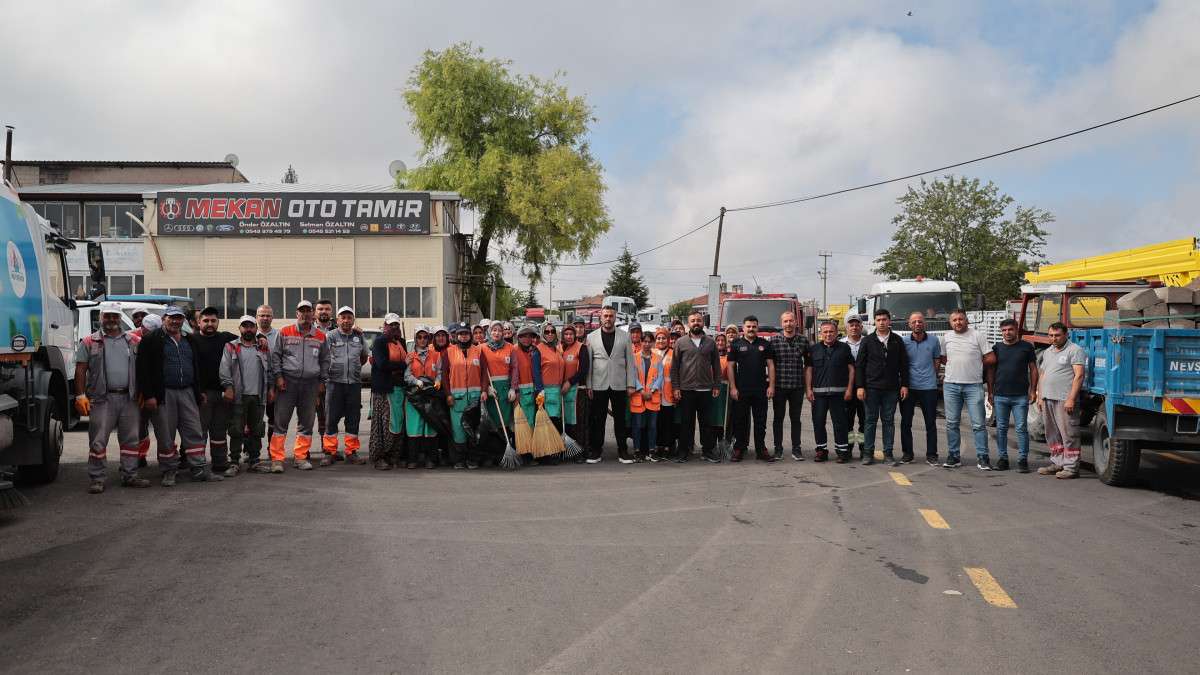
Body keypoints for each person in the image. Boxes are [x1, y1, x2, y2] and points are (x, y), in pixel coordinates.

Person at [137, 305, 221, 485]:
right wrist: (149, 395)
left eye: (179, 318)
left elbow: (196, 367)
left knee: (194, 431)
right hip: (164, 393)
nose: (175, 321)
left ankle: (198, 468)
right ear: (163, 319)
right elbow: (143, 370)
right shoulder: (151, 339)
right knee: (165, 434)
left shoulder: (189, 339)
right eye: (171, 317)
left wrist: (198, 391)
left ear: (183, 320)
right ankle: (169, 470)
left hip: (188, 392)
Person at [76, 303, 148, 493]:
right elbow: (80, 369)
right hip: (102, 399)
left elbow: (144, 368)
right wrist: (80, 395)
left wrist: (144, 391)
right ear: (101, 317)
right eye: (107, 316)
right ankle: (97, 479)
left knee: (131, 440)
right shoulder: (89, 342)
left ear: (120, 318)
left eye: (115, 316)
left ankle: (130, 475)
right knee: (98, 440)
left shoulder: (134, 341)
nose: (111, 320)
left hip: (129, 398)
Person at [268, 300, 330, 472]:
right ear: (297, 313)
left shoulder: (320, 336)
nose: (305, 314)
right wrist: (279, 377)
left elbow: (325, 360)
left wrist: (322, 381)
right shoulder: (285, 332)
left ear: (313, 314)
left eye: (308, 310)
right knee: (281, 422)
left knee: (306, 422)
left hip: (311, 384)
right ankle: (277, 460)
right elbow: (276, 356)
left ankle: (300, 457)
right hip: (287, 383)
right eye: (302, 311)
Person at [941, 309, 996, 470]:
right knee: (952, 423)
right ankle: (953, 456)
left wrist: (975, 362)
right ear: (950, 323)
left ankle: (983, 457)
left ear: (967, 321)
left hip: (973, 386)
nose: (958, 322)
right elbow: (943, 358)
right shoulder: (946, 337)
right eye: (954, 320)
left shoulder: (977, 335)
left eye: (961, 319)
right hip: (951, 385)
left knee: (978, 424)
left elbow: (991, 358)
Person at [219, 316, 274, 476]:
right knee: (236, 430)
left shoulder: (263, 347)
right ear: (239, 329)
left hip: (258, 396)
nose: (248, 329)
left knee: (257, 430)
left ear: (256, 329)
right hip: (238, 396)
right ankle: (234, 462)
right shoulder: (231, 346)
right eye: (245, 326)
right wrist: (228, 387)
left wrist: (271, 389)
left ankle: (254, 461)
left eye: (251, 326)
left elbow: (270, 369)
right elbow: (224, 369)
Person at [584, 306, 638, 464]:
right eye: (605, 316)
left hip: (619, 384)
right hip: (598, 384)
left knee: (620, 420)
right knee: (598, 420)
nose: (608, 318)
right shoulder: (591, 337)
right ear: (601, 318)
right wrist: (589, 385)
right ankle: (596, 451)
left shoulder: (625, 336)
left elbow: (630, 362)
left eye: (611, 316)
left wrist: (630, 384)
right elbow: (589, 364)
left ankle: (623, 451)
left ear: (615, 318)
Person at [854, 309, 908, 466]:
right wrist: (860, 386)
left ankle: (888, 453)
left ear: (889, 321)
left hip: (891, 388)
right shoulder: (867, 341)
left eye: (884, 319)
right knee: (870, 421)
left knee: (888, 421)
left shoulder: (897, 340)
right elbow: (859, 366)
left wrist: (905, 385)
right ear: (874, 322)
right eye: (878, 320)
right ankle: (868, 453)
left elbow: (904, 365)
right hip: (871, 388)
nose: (882, 322)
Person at [1036, 322, 1086, 479]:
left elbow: (1079, 375)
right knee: (1052, 433)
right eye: (1051, 335)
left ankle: (1071, 467)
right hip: (1048, 398)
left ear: (1066, 335)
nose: (1053, 338)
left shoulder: (1075, 350)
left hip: (1064, 399)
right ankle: (1057, 462)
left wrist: (1071, 399)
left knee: (1069, 434)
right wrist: (1040, 396)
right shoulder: (1048, 352)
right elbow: (1042, 375)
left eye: (1057, 335)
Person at [988, 318, 1038, 473]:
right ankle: (1003, 459)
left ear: (1016, 330)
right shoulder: (996, 348)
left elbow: (1033, 369)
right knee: (1001, 428)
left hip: (1020, 396)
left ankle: (1022, 460)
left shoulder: (1027, 347)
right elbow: (991, 371)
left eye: (1010, 329)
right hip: (1000, 395)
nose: (1007, 333)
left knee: (1021, 428)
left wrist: (1033, 390)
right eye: (1004, 330)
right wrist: (990, 391)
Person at [193, 306, 238, 477]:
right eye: (206, 321)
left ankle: (219, 462)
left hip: (223, 394)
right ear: (198, 322)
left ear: (218, 322)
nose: (210, 324)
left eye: (213, 321)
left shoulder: (225, 338)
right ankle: (197, 463)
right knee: (199, 431)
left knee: (219, 431)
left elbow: (247, 338)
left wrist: (261, 338)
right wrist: (198, 391)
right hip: (202, 395)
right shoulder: (191, 340)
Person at [671, 313, 721, 464]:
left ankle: (707, 451)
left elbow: (716, 366)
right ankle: (684, 451)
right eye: (693, 321)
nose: (696, 323)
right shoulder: (680, 342)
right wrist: (676, 387)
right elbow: (674, 367)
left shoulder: (710, 343)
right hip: (686, 390)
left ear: (703, 323)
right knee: (686, 423)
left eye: (698, 320)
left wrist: (716, 385)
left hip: (706, 389)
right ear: (688, 324)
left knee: (706, 423)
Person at [322, 306, 368, 466]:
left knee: (353, 418)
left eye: (349, 317)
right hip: (334, 383)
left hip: (354, 384)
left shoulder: (359, 336)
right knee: (331, 418)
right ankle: (330, 452)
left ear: (353, 320)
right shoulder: (330, 336)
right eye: (343, 317)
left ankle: (351, 452)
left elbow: (364, 357)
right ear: (337, 320)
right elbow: (324, 358)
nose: (346, 320)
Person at [727, 315, 777, 462]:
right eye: (748, 326)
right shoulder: (736, 344)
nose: (751, 329)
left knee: (760, 422)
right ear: (743, 328)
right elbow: (730, 367)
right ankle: (739, 448)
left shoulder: (765, 344)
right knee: (740, 421)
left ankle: (761, 450)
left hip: (760, 389)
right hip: (741, 390)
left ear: (757, 328)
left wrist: (771, 386)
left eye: (754, 326)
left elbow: (771, 366)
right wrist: (733, 387)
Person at [806, 320, 855, 463]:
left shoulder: (844, 348)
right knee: (818, 422)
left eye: (831, 331)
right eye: (825, 332)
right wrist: (808, 389)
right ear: (821, 333)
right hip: (818, 395)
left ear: (836, 333)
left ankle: (842, 452)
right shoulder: (814, 349)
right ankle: (821, 451)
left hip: (839, 395)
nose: (828, 334)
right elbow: (808, 370)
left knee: (840, 423)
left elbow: (851, 369)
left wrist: (849, 389)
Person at [900, 311, 941, 467]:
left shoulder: (934, 340)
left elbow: (936, 361)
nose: (917, 324)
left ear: (925, 323)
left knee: (930, 423)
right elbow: (901, 364)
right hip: (908, 388)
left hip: (929, 387)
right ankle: (907, 454)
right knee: (906, 422)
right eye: (914, 322)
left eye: (920, 321)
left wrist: (932, 377)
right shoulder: (904, 341)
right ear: (909, 324)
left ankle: (932, 455)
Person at [443, 323, 486, 469]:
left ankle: (473, 459)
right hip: (457, 399)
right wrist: (448, 394)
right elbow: (444, 375)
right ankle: (459, 459)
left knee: (473, 429)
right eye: (461, 334)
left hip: (475, 398)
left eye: (466, 333)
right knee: (458, 429)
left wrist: (484, 390)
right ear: (456, 336)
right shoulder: (449, 352)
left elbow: (484, 374)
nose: (463, 336)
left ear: (470, 335)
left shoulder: (478, 351)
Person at [770, 311, 811, 460]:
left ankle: (796, 449)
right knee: (778, 419)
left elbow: (808, 366)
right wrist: (770, 386)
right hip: (779, 387)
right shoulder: (773, 341)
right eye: (785, 321)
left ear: (796, 322)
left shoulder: (803, 341)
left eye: (791, 321)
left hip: (797, 387)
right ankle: (778, 449)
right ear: (781, 323)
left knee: (796, 419)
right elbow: (770, 365)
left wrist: (808, 388)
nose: (788, 324)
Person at [369, 314, 407, 470]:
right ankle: (379, 457)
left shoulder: (401, 342)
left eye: (396, 325)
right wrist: (403, 365)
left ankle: (394, 456)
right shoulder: (380, 342)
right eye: (391, 325)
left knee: (398, 424)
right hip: (384, 390)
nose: (394, 327)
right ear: (385, 325)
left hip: (399, 389)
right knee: (384, 425)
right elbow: (382, 364)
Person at [404, 326, 442, 469]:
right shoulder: (410, 356)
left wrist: (438, 381)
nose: (422, 340)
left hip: (430, 396)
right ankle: (413, 459)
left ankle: (431, 459)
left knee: (430, 427)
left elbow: (440, 372)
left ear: (429, 339)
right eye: (419, 337)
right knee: (414, 427)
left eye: (425, 337)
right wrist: (416, 381)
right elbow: (406, 375)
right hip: (414, 397)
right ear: (415, 339)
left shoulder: (436, 355)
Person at [130, 312, 162, 468]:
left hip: (158, 390)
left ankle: (166, 458)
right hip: (138, 390)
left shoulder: (163, 339)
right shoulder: (130, 338)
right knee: (139, 425)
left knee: (163, 427)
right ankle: (139, 456)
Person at [481, 322, 519, 450]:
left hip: (505, 390)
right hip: (491, 389)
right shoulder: (482, 348)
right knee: (491, 422)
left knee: (506, 421)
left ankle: (505, 449)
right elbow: (479, 370)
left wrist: (513, 388)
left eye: (499, 330)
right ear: (489, 332)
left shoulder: (510, 348)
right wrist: (486, 387)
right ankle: (493, 452)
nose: (497, 333)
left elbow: (514, 369)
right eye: (494, 330)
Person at [512, 326, 543, 461]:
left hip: (532, 392)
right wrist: (515, 390)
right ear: (518, 338)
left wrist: (539, 390)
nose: (526, 339)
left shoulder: (534, 351)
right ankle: (523, 453)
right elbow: (512, 372)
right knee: (520, 424)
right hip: (519, 393)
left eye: (529, 336)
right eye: (523, 336)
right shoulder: (513, 350)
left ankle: (530, 451)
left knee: (531, 423)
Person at [630, 339, 663, 461]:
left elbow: (660, 376)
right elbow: (632, 376)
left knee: (652, 426)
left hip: (652, 396)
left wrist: (652, 390)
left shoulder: (658, 358)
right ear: (641, 342)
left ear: (653, 343)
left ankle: (651, 451)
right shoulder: (634, 358)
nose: (647, 344)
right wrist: (641, 390)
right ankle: (637, 451)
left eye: (649, 342)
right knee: (637, 426)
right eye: (645, 341)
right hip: (638, 396)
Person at [840, 315, 868, 460]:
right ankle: (848, 448)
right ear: (846, 327)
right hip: (847, 389)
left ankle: (864, 448)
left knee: (865, 422)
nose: (854, 327)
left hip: (865, 388)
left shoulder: (868, 342)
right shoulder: (840, 344)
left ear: (861, 327)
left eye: (857, 325)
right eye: (851, 325)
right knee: (847, 422)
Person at [651, 328, 679, 461]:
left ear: (668, 340)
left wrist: (676, 390)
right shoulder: (651, 353)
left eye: (663, 338)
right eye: (658, 338)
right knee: (656, 421)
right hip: (654, 393)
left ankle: (668, 446)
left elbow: (677, 374)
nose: (661, 340)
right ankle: (658, 446)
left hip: (668, 393)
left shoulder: (674, 354)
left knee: (668, 421)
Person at [560, 324, 589, 448]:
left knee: (578, 422)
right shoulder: (560, 349)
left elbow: (583, 370)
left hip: (577, 391)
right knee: (566, 421)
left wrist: (569, 382)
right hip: (562, 391)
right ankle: (567, 448)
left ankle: (581, 449)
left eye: (571, 334)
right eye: (566, 334)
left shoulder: (581, 348)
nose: (569, 337)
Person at [256, 304, 281, 442]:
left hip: (274, 383)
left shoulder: (279, 336)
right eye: (262, 315)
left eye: (268, 315)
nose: (265, 318)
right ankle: (251, 450)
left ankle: (272, 448)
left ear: (272, 318)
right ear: (256, 317)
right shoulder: (249, 334)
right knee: (254, 418)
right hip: (255, 384)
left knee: (274, 418)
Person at [710, 332, 733, 448]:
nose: (720, 342)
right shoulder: (710, 356)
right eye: (718, 340)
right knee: (713, 418)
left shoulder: (730, 357)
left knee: (725, 418)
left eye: (722, 340)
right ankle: (712, 444)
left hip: (725, 391)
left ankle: (724, 443)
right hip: (713, 390)